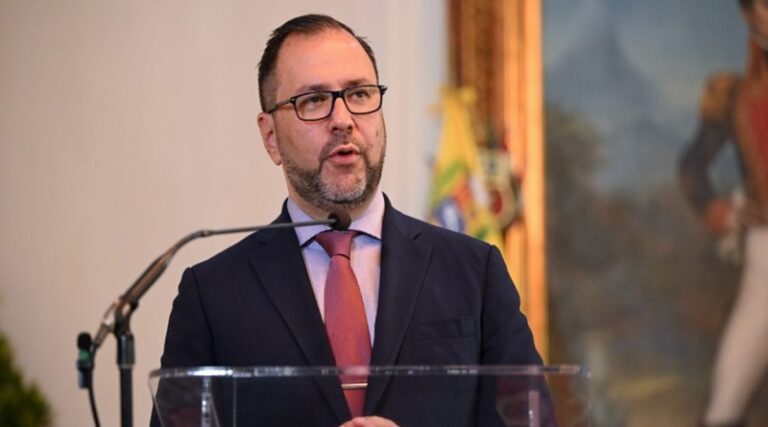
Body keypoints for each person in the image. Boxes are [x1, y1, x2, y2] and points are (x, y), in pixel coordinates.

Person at [152, 14, 543, 427]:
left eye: (359, 94)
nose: (343, 119)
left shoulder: (474, 272)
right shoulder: (212, 296)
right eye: (314, 100)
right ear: (271, 136)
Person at [679, 1, 768, 425]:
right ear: (750, 16)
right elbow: (692, 166)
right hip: (764, 258)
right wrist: (720, 208)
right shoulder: (735, 95)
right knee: (724, 404)